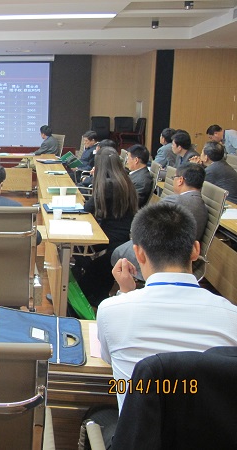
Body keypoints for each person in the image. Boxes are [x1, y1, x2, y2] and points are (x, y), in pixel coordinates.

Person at [99, 202, 237, 411]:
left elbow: (108, 359)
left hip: (139, 430)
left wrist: (126, 294)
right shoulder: (232, 316)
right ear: (195, 250)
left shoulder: (111, 310)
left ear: (139, 254)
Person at [111, 163, 209, 281]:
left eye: (174, 178)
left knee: (115, 252)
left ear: (180, 180)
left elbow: (146, 224)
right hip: (181, 258)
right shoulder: (203, 206)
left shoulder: (174, 201)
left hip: (158, 256)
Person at [73, 147, 138, 306]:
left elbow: (88, 208)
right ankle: (84, 280)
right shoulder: (125, 179)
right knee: (80, 250)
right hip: (122, 235)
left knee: (74, 246)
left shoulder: (108, 184)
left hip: (111, 237)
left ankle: (81, 290)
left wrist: (94, 180)